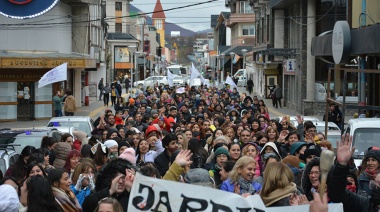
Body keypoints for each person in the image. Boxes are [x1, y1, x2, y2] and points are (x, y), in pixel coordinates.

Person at [328, 134, 380, 212]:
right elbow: (337, 195)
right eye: (375, 184)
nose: (370, 163)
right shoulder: (366, 204)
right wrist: (341, 166)